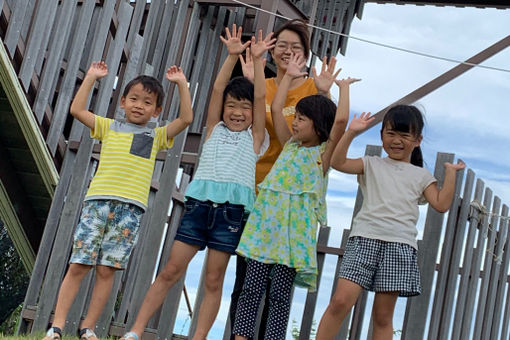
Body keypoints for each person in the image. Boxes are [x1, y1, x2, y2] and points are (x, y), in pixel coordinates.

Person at [119, 25, 273, 340]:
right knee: (169, 272)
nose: (238, 112)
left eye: (244, 107)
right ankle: (134, 331)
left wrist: (258, 62)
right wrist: (231, 58)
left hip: (231, 215)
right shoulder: (213, 129)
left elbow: (259, 96)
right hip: (199, 207)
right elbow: (217, 90)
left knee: (214, 281)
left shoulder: (256, 139)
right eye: (233, 106)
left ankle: (198, 337)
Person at [42, 62, 193, 340]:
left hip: (130, 210)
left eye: (148, 102)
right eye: (133, 99)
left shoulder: (156, 135)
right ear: (122, 102)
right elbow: (77, 110)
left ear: (157, 111)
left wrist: (182, 84)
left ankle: (87, 328)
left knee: (106, 269)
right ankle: (57, 326)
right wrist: (91, 77)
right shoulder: (109, 126)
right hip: (98, 203)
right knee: (79, 264)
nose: (139, 105)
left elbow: (185, 119)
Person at [232, 52, 359, 340]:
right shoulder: (289, 144)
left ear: (318, 126)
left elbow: (340, 123)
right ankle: (240, 337)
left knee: (279, 296)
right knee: (250, 289)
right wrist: (287, 75)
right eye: (297, 118)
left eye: (302, 119)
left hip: (293, 239)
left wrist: (344, 89)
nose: (296, 123)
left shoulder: (322, 157)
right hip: (265, 230)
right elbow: (277, 109)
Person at [315, 105, 466, 340]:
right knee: (339, 301)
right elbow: (338, 162)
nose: (397, 140)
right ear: (382, 135)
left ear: (417, 140)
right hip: (363, 239)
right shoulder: (371, 163)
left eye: (405, 135)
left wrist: (450, 173)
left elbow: (441, 204)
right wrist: (352, 132)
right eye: (391, 133)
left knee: (383, 317)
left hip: (399, 246)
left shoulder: (422, 176)